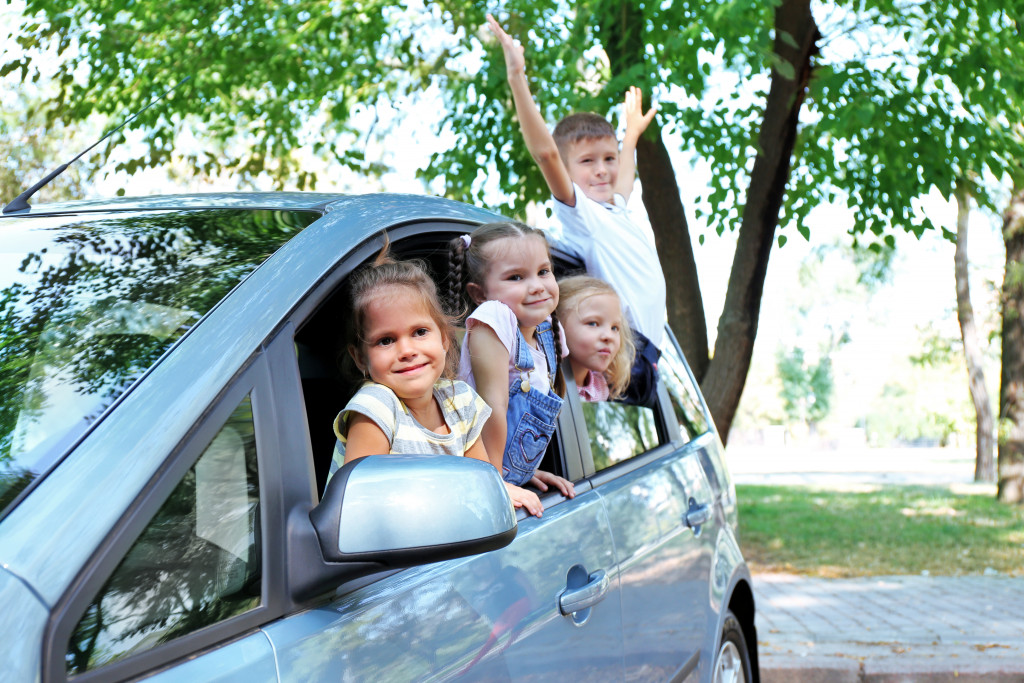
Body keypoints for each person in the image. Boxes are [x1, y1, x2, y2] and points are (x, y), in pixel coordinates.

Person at [487, 13, 666, 406]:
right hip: (625, 354)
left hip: (654, 358)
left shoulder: (615, 208)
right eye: (587, 162)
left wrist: (630, 137)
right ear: (567, 173)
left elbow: (624, 179)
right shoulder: (583, 217)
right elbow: (546, 152)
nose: (601, 170)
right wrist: (518, 76)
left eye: (608, 158)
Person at [330, 243, 543, 517]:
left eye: (419, 332)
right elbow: (365, 509)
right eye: (386, 340)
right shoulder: (376, 408)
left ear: (444, 338)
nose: (407, 351)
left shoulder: (460, 399)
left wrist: (497, 487)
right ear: (360, 359)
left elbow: (482, 481)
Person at [447, 222, 575, 502]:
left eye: (543, 272)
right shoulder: (494, 317)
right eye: (516, 277)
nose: (537, 286)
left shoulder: (549, 330)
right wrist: (497, 481)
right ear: (480, 293)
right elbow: (493, 406)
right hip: (477, 479)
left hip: (502, 475)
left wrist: (524, 471)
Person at [556, 275, 635, 402]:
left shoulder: (600, 388)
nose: (608, 336)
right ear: (557, 325)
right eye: (593, 323)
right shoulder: (542, 382)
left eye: (615, 328)